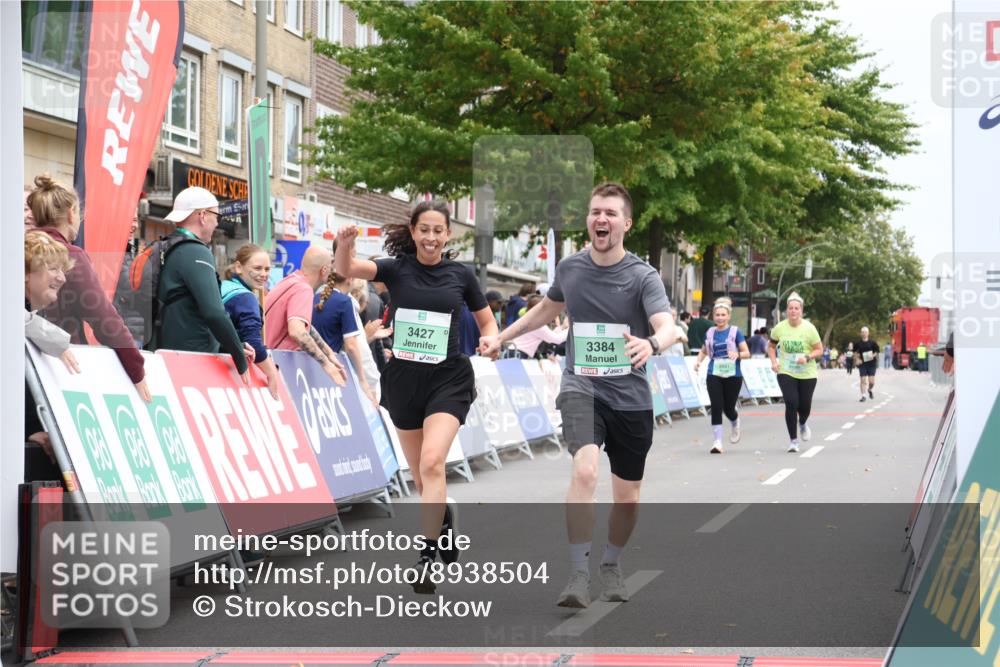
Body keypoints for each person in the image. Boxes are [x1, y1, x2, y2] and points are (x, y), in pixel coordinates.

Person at [480, 182, 677, 609]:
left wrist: (653, 344)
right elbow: (546, 311)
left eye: (609, 213)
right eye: (594, 212)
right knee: (584, 473)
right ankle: (578, 573)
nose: (600, 219)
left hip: (631, 398)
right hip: (581, 386)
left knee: (627, 497)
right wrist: (501, 337)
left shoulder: (642, 275)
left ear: (626, 222)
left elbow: (669, 326)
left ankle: (610, 562)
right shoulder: (571, 268)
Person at [335, 200, 498, 594]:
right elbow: (346, 269)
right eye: (423, 229)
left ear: (447, 234)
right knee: (425, 479)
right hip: (405, 380)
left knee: (431, 462)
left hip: (448, 379)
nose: (430, 237)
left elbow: (486, 320)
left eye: (437, 230)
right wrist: (344, 243)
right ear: (413, 231)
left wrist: (492, 338)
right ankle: (443, 522)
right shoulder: (395, 269)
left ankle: (425, 557)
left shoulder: (461, 275)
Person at [26, 174, 150, 401]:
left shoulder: (19, 247)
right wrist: (137, 370)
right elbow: (105, 320)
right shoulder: (71, 255)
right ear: (72, 213)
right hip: (58, 370)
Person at [152, 187, 252, 384]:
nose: (217, 222)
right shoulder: (195, 251)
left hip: (167, 354)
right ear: (203, 216)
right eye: (216, 215)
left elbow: (184, 308)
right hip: (193, 363)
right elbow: (214, 313)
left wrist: (233, 345)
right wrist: (239, 356)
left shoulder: (165, 246)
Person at [24, 231, 80, 480]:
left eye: (63, 270)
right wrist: (23, 433)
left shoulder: (30, 320)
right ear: (25, 273)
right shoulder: (19, 320)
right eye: (53, 268)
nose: (62, 277)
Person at [264, 245, 347, 386]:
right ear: (324, 270)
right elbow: (297, 331)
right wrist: (327, 365)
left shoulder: (289, 280)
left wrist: (328, 353)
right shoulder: (303, 289)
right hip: (278, 368)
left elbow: (305, 326)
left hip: (272, 363)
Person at [220, 244, 281, 399]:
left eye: (267, 269)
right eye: (258, 268)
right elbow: (253, 342)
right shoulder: (245, 298)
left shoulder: (224, 285)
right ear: (239, 267)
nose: (263, 274)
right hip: (228, 373)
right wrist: (272, 372)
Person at [767, 292, 823, 453]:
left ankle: (803, 423)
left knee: (804, 406)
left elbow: (819, 349)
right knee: (791, 403)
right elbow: (771, 346)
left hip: (807, 373)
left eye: (796, 308)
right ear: (787, 311)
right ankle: (793, 441)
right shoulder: (780, 327)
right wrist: (773, 361)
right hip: (786, 371)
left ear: (801, 311)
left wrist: (807, 356)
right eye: (790, 308)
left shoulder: (809, 328)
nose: (793, 311)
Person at [693, 297, 749, 453]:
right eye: (717, 315)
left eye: (723, 315)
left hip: (733, 374)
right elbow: (704, 350)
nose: (720, 318)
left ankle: (734, 420)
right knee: (716, 406)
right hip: (714, 373)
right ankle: (717, 441)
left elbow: (747, 353)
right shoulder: (710, 332)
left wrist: (737, 354)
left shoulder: (735, 332)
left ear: (729, 316)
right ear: (713, 316)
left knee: (728, 408)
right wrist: (698, 361)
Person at [313, 269, 377, 405]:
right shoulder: (345, 302)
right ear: (350, 279)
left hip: (312, 364)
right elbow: (352, 346)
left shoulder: (316, 297)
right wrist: (362, 379)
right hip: (332, 369)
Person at [510, 294, 569, 359]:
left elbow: (550, 335)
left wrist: (562, 327)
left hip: (515, 351)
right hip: (518, 353)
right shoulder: (538, 325)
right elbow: (556, 339)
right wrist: (569, 328)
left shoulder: (530, 320)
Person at [854, 326, 880, 401]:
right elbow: (854, 353)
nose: (864, 334)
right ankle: (863, 396)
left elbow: (877, 351)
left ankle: (869, 389)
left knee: (871, 382)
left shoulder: (872, 343)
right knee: (863, 379)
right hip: (863, 364)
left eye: (866, 332)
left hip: (871, 364)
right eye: (863, 332)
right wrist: (857, 359)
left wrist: (873, 355)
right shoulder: (858, 344)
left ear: (868, 333)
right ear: (861, 334)